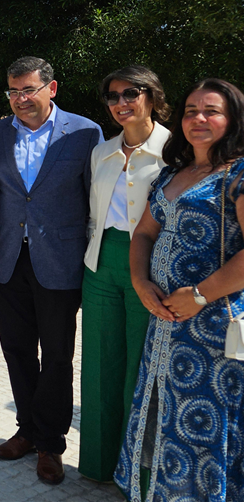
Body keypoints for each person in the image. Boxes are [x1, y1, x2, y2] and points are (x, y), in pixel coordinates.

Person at [116, 79, 244, 502]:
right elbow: (143, 235)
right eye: (191, 111)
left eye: (212, 111)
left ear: (233, 119)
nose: (199, 119)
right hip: (166, 323)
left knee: (205, 424)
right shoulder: (174, 173)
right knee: (164, 413)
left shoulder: (239, 173)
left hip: (213, 327)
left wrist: (201, 294)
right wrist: (141, 283)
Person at [0, 56, 103, 485]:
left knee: (56, 356)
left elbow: (95, 199)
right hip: (9, 260)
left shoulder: (87, 132)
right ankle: (27, 432)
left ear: (51, 89)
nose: (20, 99)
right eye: (13, 92)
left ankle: (50, 443)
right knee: (16, 351)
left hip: (60, 261)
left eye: (28, 90)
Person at [78, 66, 172, 482]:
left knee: (142, 368)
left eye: (129, 94)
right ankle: (98, 465)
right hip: (100, 263)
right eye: (112, 97)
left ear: (151, 95)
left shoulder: (176, 148)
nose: (120, 104)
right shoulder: (102, 151)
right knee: (99, 366)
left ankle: (138, 476)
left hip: (151, 268)